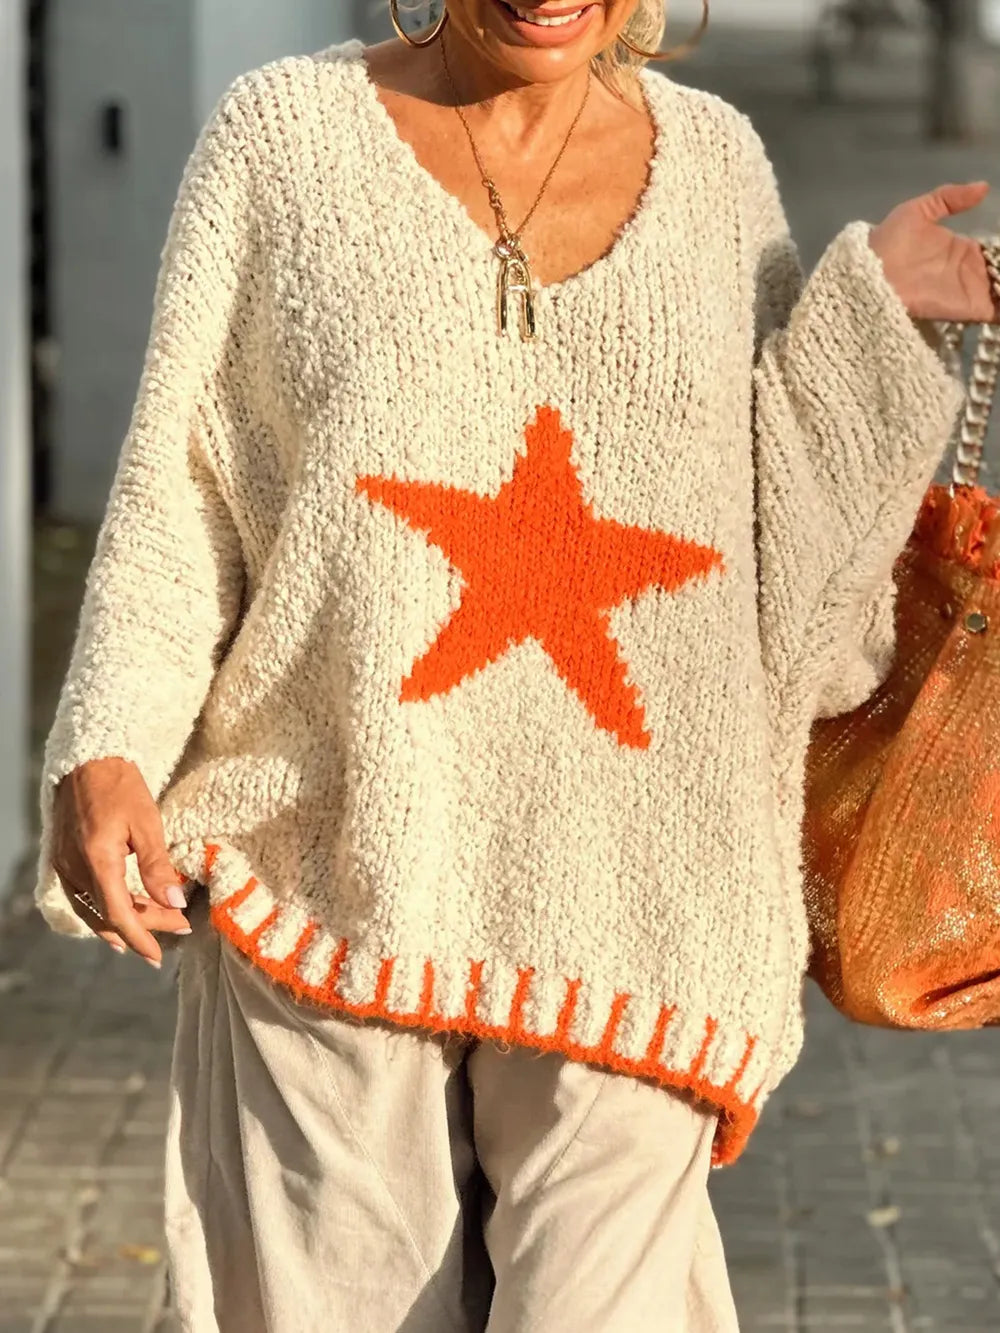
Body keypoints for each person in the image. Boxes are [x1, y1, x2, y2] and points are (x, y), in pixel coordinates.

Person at [33, 0, 997, 1329]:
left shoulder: (715, 170)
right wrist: (107, 742)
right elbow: (182, 487)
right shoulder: (280, 142)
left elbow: (790, 564)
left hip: (646, 897)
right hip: (334, 869)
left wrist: (875, 318)